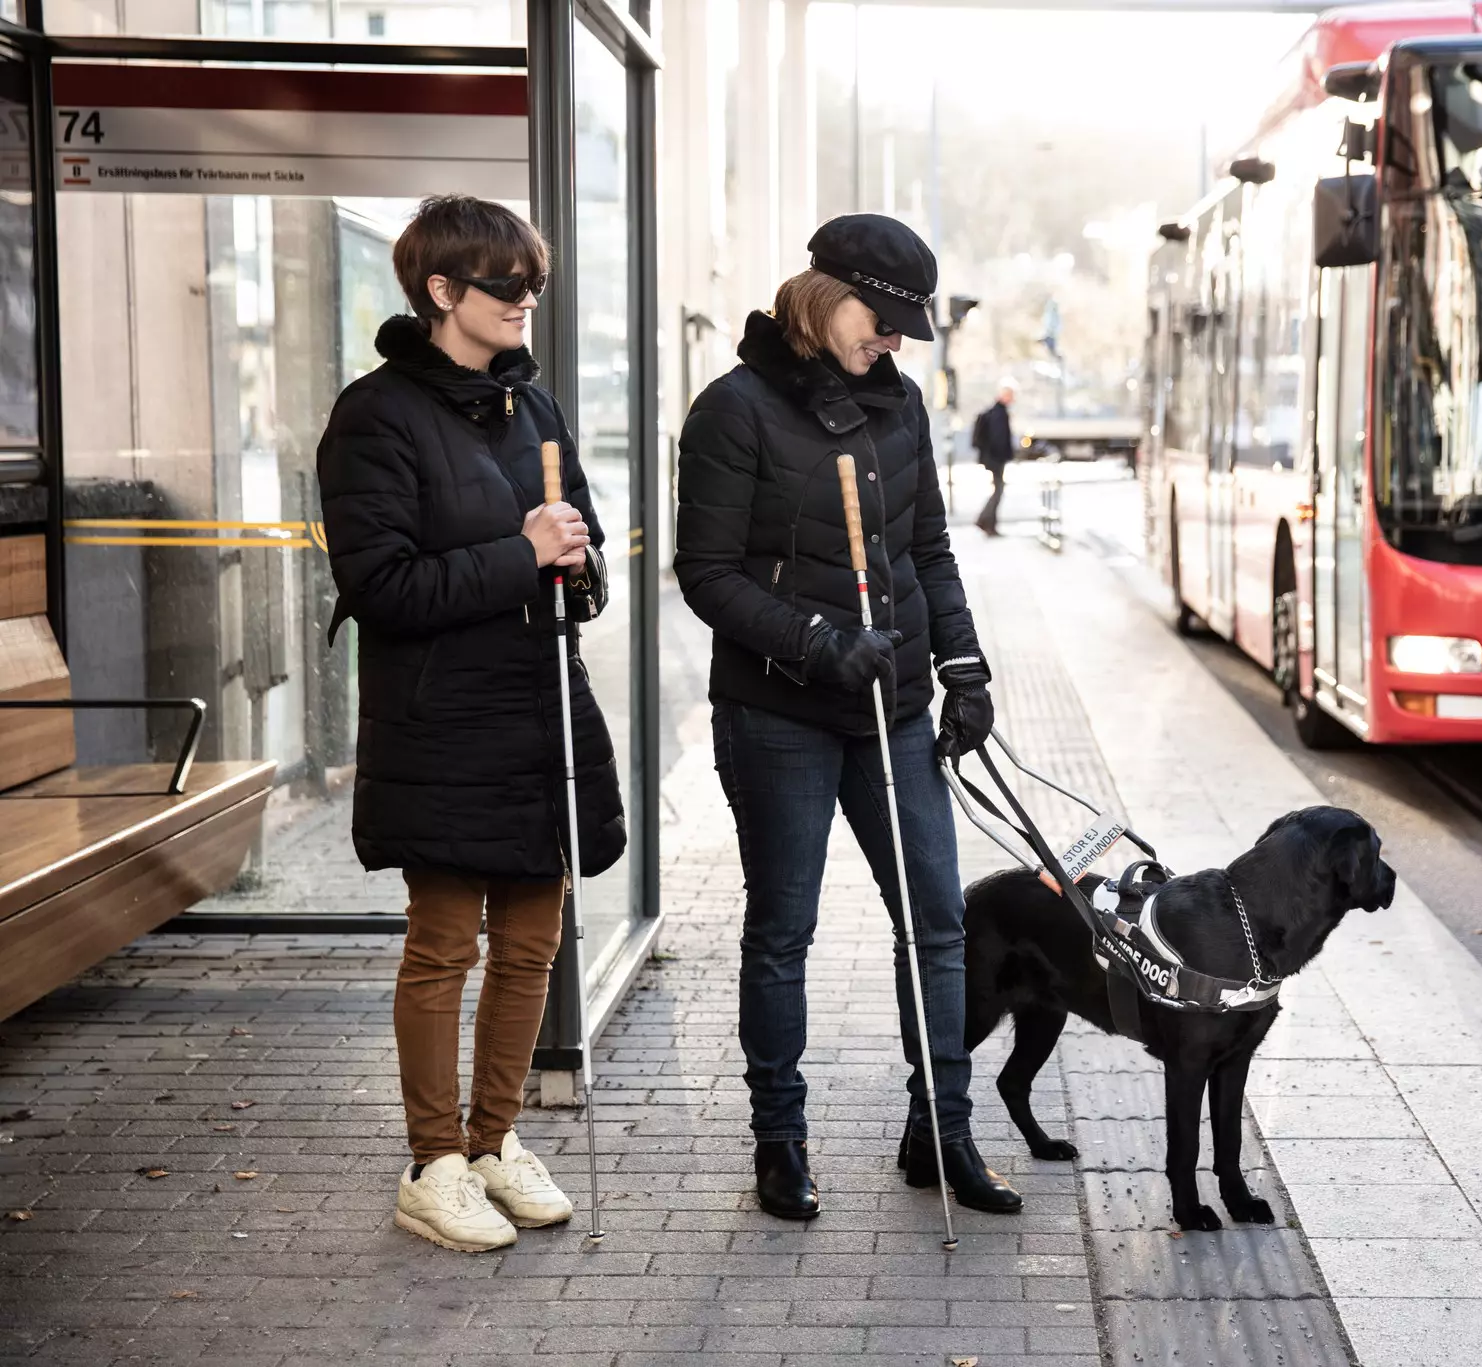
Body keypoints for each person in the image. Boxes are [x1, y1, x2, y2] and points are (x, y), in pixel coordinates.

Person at [673, 214, 1019, 1221]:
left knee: (940, 921)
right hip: (778, 711)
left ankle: (941, 1129)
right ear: (826, 296)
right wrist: (816, 639)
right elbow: (706, 573)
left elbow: (928, 551)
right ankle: (780, 1139)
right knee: (784, 928)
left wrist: (962, 664)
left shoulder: (899, 404)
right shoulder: (732, 409)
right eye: (886, 318)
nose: (897, 341)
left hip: (897, 706)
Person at [316, 195, 627, 1254]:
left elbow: (577, 554)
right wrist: (525, 551)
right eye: (506, 284)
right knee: (444, 943)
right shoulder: (376, 415)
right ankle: (432, 1161)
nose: (525, 299)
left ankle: (494, 1143)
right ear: (442, 291)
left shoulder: (531, 408)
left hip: (538, 710)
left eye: (532, 282)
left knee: (533, 942)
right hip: (441, 722)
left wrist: (581, 568)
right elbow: (383, 585)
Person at [971, 381, 1016, 535]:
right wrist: (1003, 456)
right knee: (998, 491)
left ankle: (988, 523)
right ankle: (985, 521)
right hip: (996, 459)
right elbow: (999, 439)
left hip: (993, 458)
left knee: (998, 490)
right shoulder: (999, 414)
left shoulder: (995, 412)